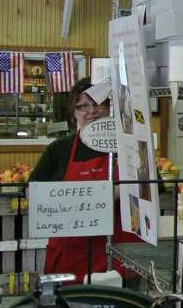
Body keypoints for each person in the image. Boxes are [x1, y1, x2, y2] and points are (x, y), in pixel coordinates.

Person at [31, 77, 138, 282]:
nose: (92, 111)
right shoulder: (59, 149)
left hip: (118, 257)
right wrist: (103, 197)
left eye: (99, 104)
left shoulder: (128, 147)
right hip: (71, 256)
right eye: (83, 106)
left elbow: (149, 188)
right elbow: (34, 193)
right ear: (73, 112)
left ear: (110, 108)